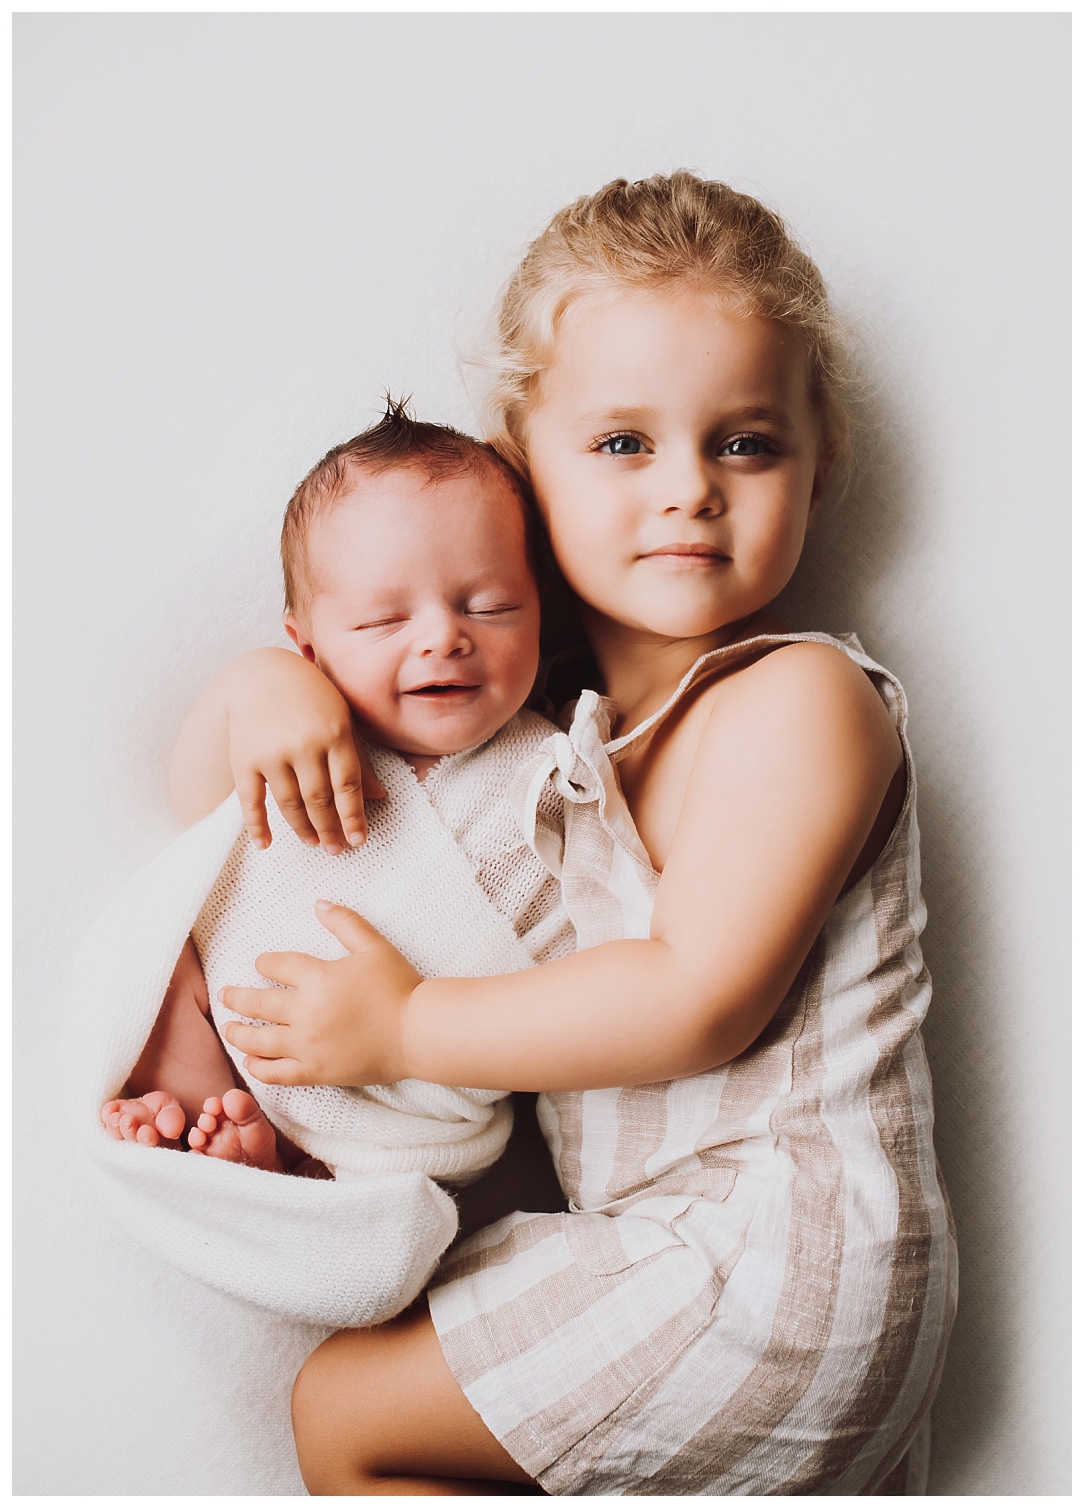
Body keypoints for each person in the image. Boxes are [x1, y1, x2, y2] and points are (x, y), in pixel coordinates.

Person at [176, 172, 957, 1494]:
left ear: (819, 469)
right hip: (688, 1247)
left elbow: (695, 998)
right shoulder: (541, 737)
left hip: (782, 1256)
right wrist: (267, 687)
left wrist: (405, 1029)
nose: (689, 490)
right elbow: (240, 825)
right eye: (622, 444)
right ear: (522, 474)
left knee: (343, 1412)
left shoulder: (800, 698)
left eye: (746, 443)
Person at [100, 401, 575, 1185]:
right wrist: (257, 684)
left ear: (541, 616)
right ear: (309, 645)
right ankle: (202, 1097)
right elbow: (197, 811)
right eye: (384, 619)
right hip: (233, 1025)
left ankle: (301, 1172)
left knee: (396, 1194)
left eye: (491, 607)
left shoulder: (554, 776)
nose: (443, 637)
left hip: (399, 1105)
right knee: (152, 951)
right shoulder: (299, 726)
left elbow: (577, 968)